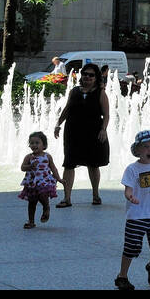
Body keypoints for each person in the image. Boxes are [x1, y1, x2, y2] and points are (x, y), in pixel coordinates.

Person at [53, 62, 110, 206]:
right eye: (85, 74)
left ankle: (96, 195)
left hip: (93, 132)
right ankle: (67, 198)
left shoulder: (100, 93)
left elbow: (106, 114)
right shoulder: (75, 91)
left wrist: (103, 129)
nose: (87, 77)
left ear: (96, 77)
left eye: (91, 75)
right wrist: (58, 124)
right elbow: (67, 109)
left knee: (93, 164)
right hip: (73, 131)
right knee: (69, 163)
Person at [116, 129, 150, 290]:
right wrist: (130, 197)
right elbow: (128, 189)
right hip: (136, 215)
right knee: (131, 247)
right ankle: (122, 276)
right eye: (145, 147)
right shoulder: (132, 169)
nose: (149, 150)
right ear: (138, 150)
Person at [19, 130, 61, 227]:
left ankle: (46, 208)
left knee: (43, 196)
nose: (34, 145)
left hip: (44, 181)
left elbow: (53, 168)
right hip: (32, 182)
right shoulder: (28, 157)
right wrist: (29, 166)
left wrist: (59, 179)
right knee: (32, 202)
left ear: (44, 145)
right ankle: (31, 221)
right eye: (32, 143)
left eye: (37, 143)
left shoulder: (47, 156)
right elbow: (22, 168)